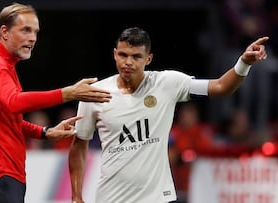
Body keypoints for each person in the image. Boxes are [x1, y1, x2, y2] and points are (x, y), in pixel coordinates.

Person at [68, 27, 268, 203]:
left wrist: (244, 63)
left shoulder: (167, 83)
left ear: (148, 58)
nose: (128, 62)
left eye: (136, 56)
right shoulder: (93, 94)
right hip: (111, 198)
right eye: (123, 55)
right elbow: (79, 145)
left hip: (157, 198)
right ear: (114, 54)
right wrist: (76, 196)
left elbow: (221, 86)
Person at [0, 3, 111, 203]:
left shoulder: (2, 65)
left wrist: (44, 132)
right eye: (26, 30)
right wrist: (68, 93)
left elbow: (8, 119)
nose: (33, 38)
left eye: (35, 31)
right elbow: (14, 103)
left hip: (1, 178)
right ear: (4, 32)